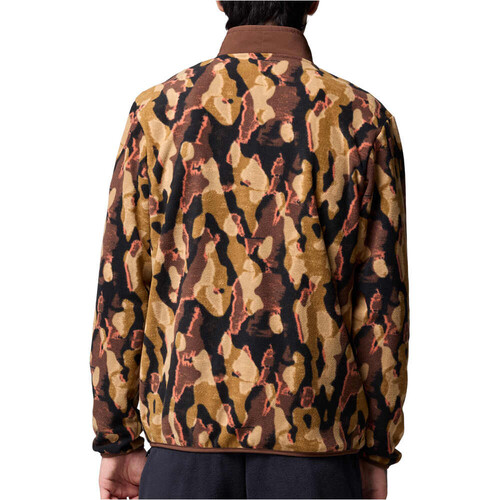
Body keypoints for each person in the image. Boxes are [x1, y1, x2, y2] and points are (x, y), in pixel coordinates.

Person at [89, 1, 410, 498]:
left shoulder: (159, 112)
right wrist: (376, 451)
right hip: (318, 447)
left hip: (183, 445)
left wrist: (116, 438)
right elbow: (382, 303)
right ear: (312, 1)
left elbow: (123, 283)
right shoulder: (362, 119)